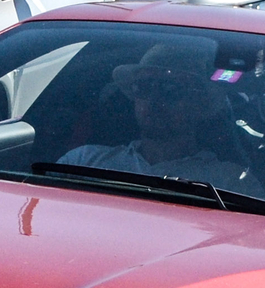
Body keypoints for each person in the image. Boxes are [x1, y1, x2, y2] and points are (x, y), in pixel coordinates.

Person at [64, 38, 247, 186]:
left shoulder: (230, 182)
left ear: (199, 103)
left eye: (171, 89)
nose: (154, 99)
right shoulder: (84, 162)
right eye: (144, 87)